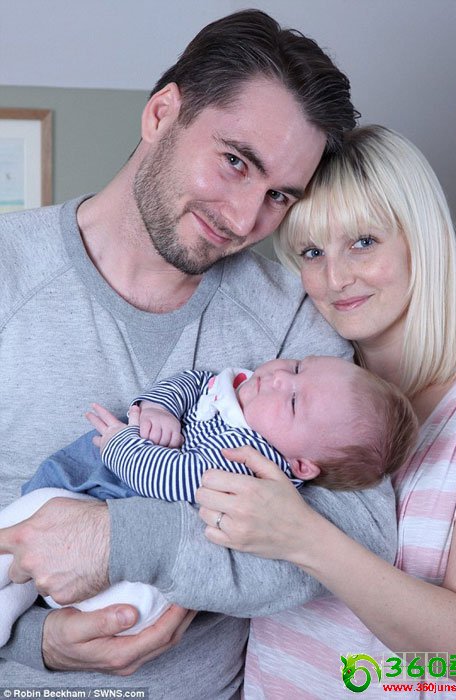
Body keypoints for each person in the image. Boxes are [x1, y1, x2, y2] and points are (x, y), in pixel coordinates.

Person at [0, 10, 397, 698]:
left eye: (278, 195)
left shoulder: (292, 323)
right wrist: (37, 644)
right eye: (235, 162)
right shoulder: (11, 273)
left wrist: (128, 540)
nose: (245, 220)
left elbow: (351, 543)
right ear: (162, 114)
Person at [195, 125, 456, 698]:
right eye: (312, 253)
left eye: (363, 242)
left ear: (423, 240)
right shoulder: (282, 389)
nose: (335, 279)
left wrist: (304, 537)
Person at [0, 356, 417, 647]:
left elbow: (173, 479)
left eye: (292, 401)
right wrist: (159, 408)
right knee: (33, 534)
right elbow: (190, 381)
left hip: (127, 591)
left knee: (38, 509)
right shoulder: (236, 387)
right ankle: (13, 603)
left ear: (302, 465)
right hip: (81, 534)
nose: (277, 378)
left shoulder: (253, 461)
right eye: (296, 367)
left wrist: (120, 445)